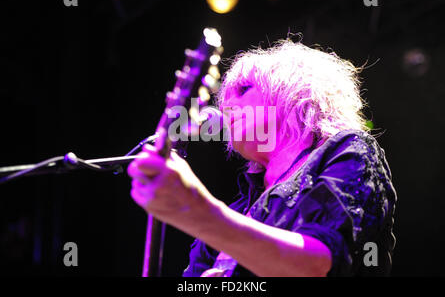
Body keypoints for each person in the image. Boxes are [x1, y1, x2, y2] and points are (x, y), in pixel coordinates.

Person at [127, 39, 397, 277]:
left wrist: (200, 212)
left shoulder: (349, 152)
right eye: (224, 100)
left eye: (243, 90)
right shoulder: (239, 208)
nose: (226, 107)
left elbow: (316, 267)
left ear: (295, 93)